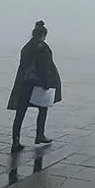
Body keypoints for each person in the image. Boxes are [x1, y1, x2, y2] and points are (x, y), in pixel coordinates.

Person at [7, 20, 62, 152]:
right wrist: (47, 83)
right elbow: (45, 68)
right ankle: (39, 135)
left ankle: (15, 141)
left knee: (20, 113)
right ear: (43, 34)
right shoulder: (42, 47)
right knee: (43, 108)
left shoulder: (27, 47)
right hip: (36, 84)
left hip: (23, 84)